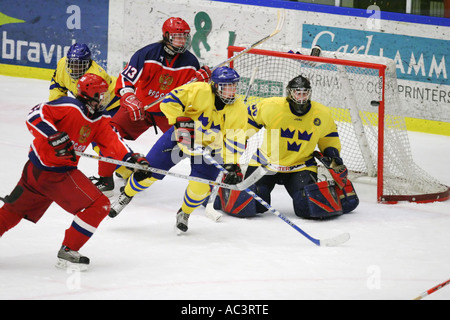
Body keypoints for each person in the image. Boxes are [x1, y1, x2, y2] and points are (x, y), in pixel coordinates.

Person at [0, 73, 150, 270]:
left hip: (35, 172)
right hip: (56, 175)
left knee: (14, 210)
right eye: (100, 95)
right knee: (100, 205)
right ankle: (68, 250)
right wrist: (53, 135)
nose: (104, 99)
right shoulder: (69, 106)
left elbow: (112, 141)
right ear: (89, 95)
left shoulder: (99, 118)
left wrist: (132, 159)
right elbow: (35, 115)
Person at [108, 66, 247, 233]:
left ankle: (184, 213)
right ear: (215, 86)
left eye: (233, 86)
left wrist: (232, 164)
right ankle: (127, 194)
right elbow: (169, 101)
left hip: (209, 148)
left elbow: (235, 139)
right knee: (147, 172)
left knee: (200, 190)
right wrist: (181, 122)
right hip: (180, 137)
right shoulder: (198, 90)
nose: (231, 91)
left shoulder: (239, 108)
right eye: (226, 87)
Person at [94, 17, 212, 195]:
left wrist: (202, 84)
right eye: (177, 36)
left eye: (185, 36)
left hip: (169, 112)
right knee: (108, 131)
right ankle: (106, 179)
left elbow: (191, 96)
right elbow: (126, 78)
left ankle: (203, 186)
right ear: (166, 36)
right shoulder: (147, 54)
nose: (182, 40)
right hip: (141, 108)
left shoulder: (190, 62)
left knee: (194, 141)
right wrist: (129, 97)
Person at [214, 74, 358, 219]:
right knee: (254, 203)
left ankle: (333, 193)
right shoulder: (272, 107)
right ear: (290, 93)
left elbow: (329, 138)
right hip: (265, 164)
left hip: (300, 166)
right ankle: (222, 192)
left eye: (304, 93)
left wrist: (333, 157)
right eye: (297, 93)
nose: (301, 97)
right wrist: (232, 152)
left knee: (306, 206)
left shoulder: (322, 114)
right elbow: (246, 123)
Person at [49, 43, 122, 196]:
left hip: (111, 103)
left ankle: (106, 181)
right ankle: (125, 169)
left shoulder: (97, 76)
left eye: (79, 65)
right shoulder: (63, 64)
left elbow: (98, 107)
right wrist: (58, 112)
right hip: (91, 103)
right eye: (72, 64)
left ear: (88, 63)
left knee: (102, 140)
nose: (74, 68)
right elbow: (57, 87)